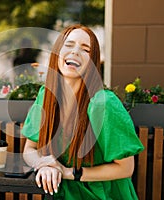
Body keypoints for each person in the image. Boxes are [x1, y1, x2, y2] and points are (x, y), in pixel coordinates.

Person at [21, 24, 144, 199]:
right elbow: (29, 148)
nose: (75, 52)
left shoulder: (103, 103)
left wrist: (69, 172)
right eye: (69, 45)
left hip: (102, 195)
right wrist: (44, 164)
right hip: (63, 194)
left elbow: (125, 168)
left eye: (85, 49)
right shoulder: (46, 96)